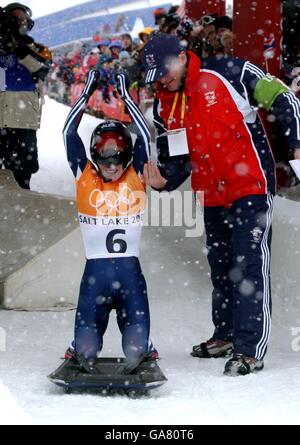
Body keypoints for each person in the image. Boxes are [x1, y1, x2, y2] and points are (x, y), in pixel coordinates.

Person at [142, 33, 300, 376]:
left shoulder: (230, 72)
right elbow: (177, 160)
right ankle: (226, 336)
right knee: (222, 266)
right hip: (211, 194)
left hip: (251, 186)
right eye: (156, 77)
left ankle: (249, 349)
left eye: (166, 71)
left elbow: (285, 99)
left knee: (249, 267)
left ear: (182, 57)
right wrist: (163, 181)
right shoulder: (164, 104)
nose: (163, 80)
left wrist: (297, 145)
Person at [62, 70, 157, 372]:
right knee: (87, 352)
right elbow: (67, 133)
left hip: (108, 276)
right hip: (116, 276)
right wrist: (94, 89)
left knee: (134, 351)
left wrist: (123, 94)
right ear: (95, 156)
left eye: (118, 159)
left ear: (127, 157)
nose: (112, 165)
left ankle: (142, 348)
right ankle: (87, 349)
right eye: (106, 158)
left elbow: (144, 134)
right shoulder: (89, 174)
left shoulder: (135, 174)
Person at [0, 3, 51, 189]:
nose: (21, 22)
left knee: (22, 174)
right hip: (0, 118)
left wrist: (20, 50)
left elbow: (42, 70)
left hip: (23, 122)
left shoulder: (37, 48)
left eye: (24, 18)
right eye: (16, 18)